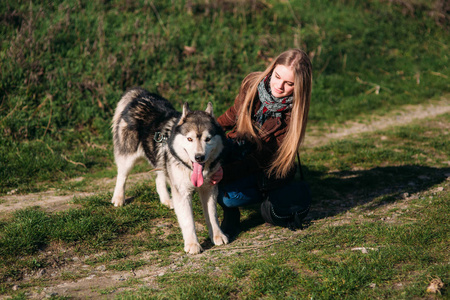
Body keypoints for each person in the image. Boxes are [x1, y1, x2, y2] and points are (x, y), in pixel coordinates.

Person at [212, 48, 313, 237]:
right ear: (272, 68)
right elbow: (233, 114)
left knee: (227, 197)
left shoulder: (293, 117)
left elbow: (259, 160)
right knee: (208, 170)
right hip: (239, 149)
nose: (279, 86)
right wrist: (208, 130)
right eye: (277, 76)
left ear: (299, 86)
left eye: (289, 84)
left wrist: (226, 172)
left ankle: (239, 208)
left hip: (263, 170)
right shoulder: (253, 84)